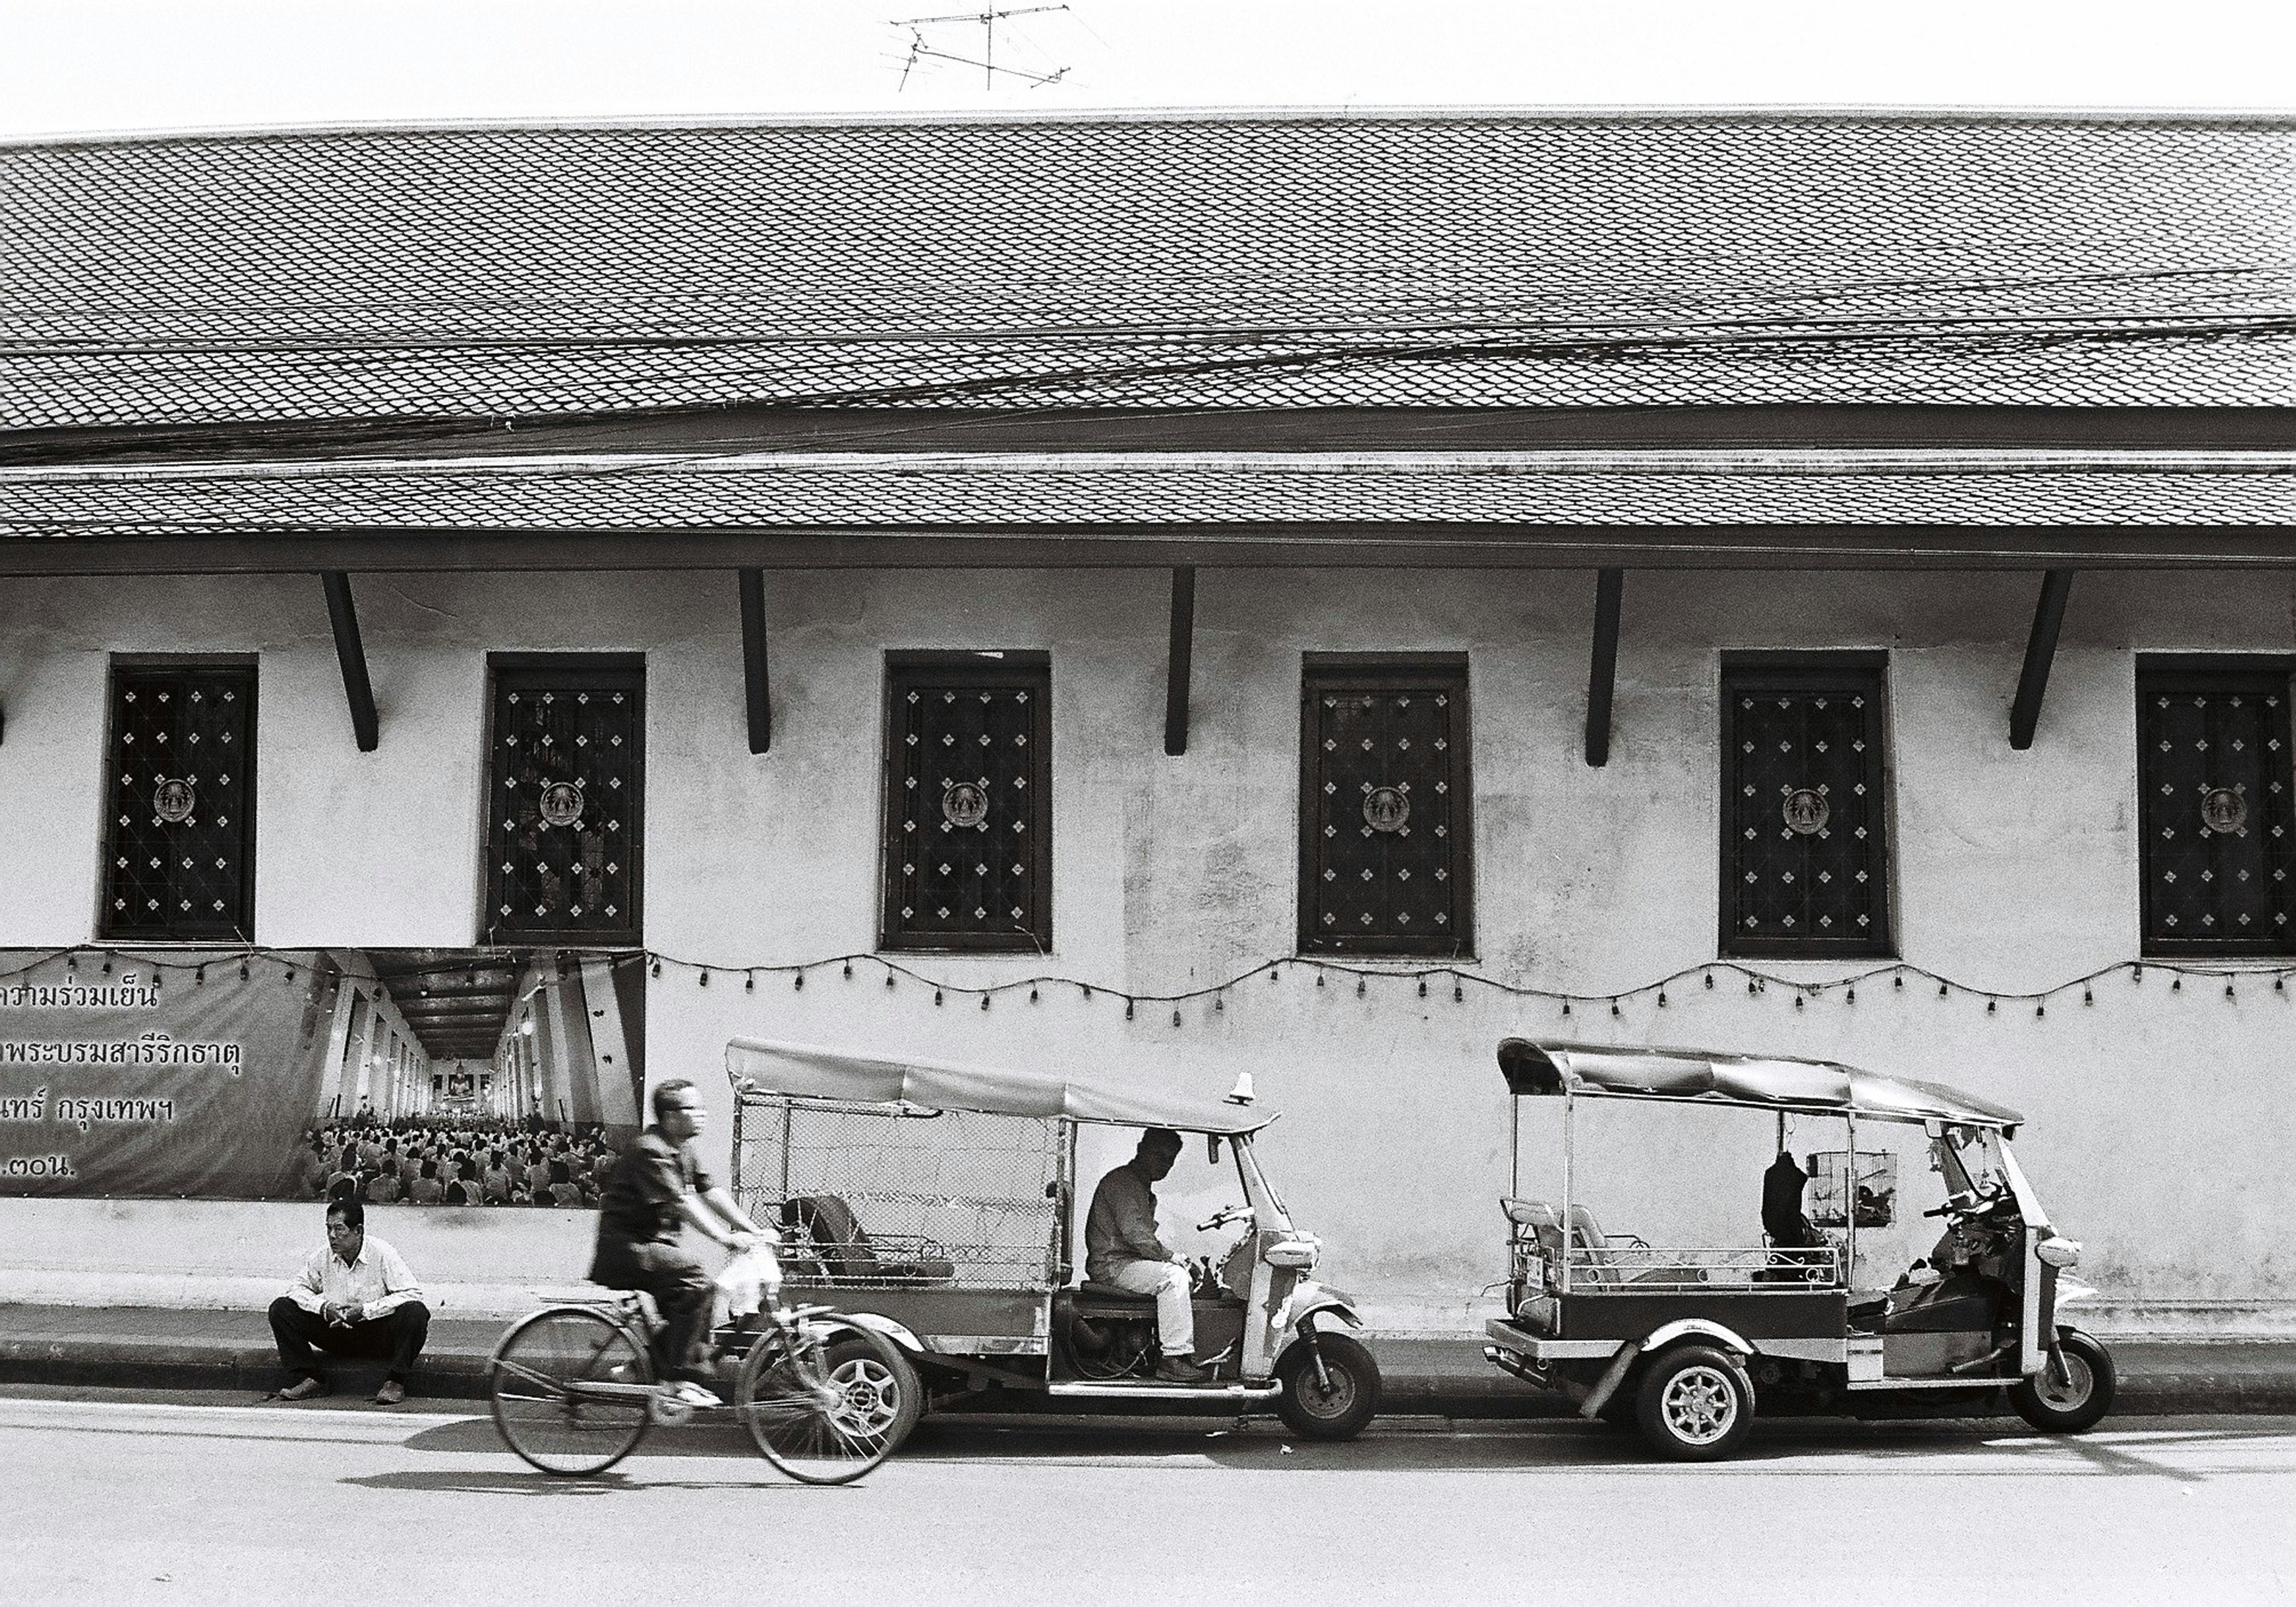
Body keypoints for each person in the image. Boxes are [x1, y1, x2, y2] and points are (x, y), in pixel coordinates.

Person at [589, 1079, 772, 1409]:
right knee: (695, 1279)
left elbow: (711, 1191)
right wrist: (725, 1237)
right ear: (670, 1115)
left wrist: (754, 1230)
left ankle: (648, 1365)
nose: (702, 1115)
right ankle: (678, 1379)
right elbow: (681, 1202)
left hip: (653, 1246)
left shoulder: (681, 1147)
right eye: (693, 1109)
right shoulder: (650, 1150)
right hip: (628, 1248)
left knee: (692, 1295)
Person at [267, 1198, 431, 1406]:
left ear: (358, 1230)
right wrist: (324, 1308)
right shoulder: (323, 1256)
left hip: (377, 1334)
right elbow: (296, 1288)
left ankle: (395, 1382)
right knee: (281, 1308)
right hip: (337, 1331)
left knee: (415, 1312)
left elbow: (412, 1292)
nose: (332, 1236)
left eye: (339, 1229)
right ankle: (311, 1378)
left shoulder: (382, 1252)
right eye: (329, 1229)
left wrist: (365, 1311)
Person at [1084, 1128, 1203, 1382]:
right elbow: (1138, 1237)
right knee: (1174, 1278)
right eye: (1160, 1157)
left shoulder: (1140, 1188)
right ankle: (1173, 1358)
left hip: (1125, 1263)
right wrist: (1176, 1259)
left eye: (1170, 1161)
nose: (1165, 1166)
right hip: (1113, 1266)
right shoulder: (1123, 1184)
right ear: (1141, 1150)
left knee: (1179, 1277)